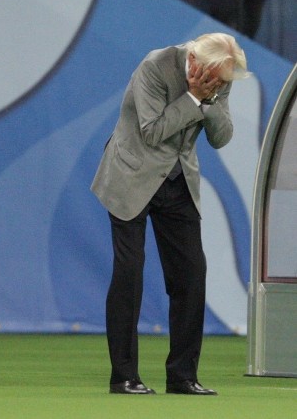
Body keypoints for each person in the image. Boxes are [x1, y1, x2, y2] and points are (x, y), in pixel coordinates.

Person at [91, 33, 249, 395]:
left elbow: (221, 138)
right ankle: (124, 377)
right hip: (131, 174)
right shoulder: (155, 66)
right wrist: (195, 97)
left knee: (192, 274)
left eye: (224, 82)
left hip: (178, 180)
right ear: (195, 63)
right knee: (129, 274)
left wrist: (209, 102)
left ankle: (182, 377)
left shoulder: (218, 76)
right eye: (216, 79)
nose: (220, 85)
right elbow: (152, 132)